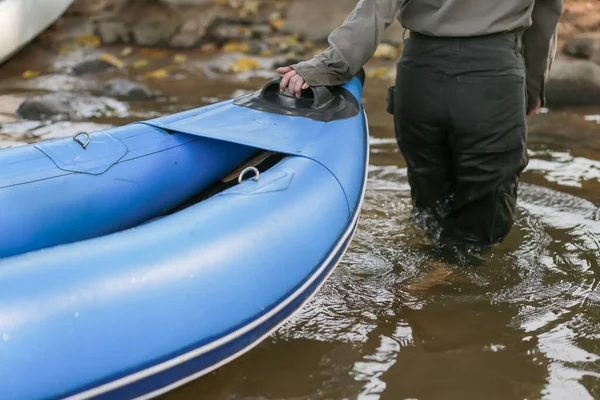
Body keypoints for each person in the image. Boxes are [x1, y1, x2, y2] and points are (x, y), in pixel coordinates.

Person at [278, 0, 563, 249]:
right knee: (480, 228)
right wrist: (533, 87)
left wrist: (329, 66)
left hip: (419, 77)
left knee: (429, 213)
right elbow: (546, 13)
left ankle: (419, 287)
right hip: (491, 79)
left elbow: (377, 7)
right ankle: (443, 291)